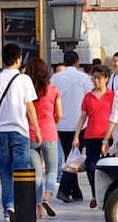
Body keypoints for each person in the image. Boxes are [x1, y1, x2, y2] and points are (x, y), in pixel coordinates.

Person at [0, 44, 38, 219]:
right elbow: (30, 106)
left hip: (2, 132)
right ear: (19, 58)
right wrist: (37, 129)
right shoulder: (24, 80)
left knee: (5, 173)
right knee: (20, 172)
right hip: (20, 131)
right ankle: (19, 206)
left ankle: (8, 208)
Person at [48, 52, 92, 204]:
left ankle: (75, 191)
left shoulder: (55, 78)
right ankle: (65, 190)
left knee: (70, 157)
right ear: (77, 62)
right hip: (79, 123)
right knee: (73, 159)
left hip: (60, 123)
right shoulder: (84, 78)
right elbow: (90, 97)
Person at [23, 55, 61, 217]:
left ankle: (38, 207)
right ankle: (48, 196)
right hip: (49, 133)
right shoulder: (53, 90)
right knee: (52, 169)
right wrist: (51, 122)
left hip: (30, 135)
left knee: (37, 174)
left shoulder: (26, 91)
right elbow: (59, 114)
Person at [77, 65, 114, 209]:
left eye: (99, 78)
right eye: (94, 78)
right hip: (91, 135)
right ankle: (95, 194)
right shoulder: (88, 96)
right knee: (91, 166)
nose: (96, 81)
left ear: (106, 79)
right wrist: (76, 136)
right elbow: (82, 117)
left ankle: (108, 193)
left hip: (108, 136)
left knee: (108, 166)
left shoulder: (112, 96)